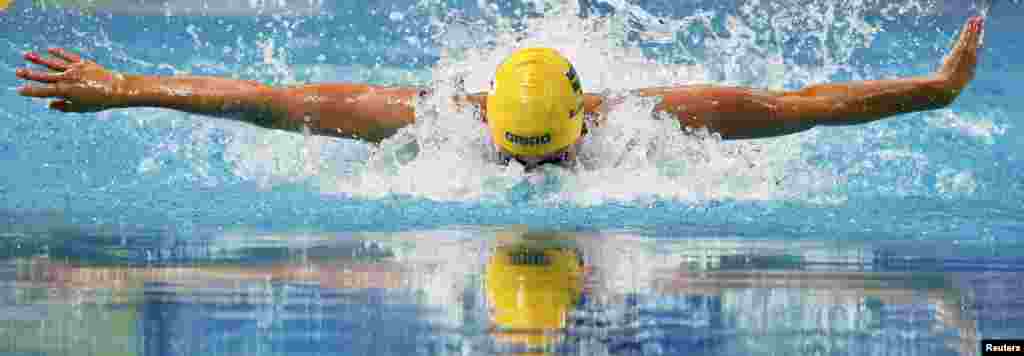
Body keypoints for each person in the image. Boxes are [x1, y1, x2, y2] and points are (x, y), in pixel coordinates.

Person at [15, 17, 984, 171]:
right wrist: (126, 86)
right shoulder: (430, 121)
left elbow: (803, 102)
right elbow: (266, 99)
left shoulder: (645, 121)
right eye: (518, 153)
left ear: (582, 118)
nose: (530, 172)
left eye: (547, 154)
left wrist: (933, 93)